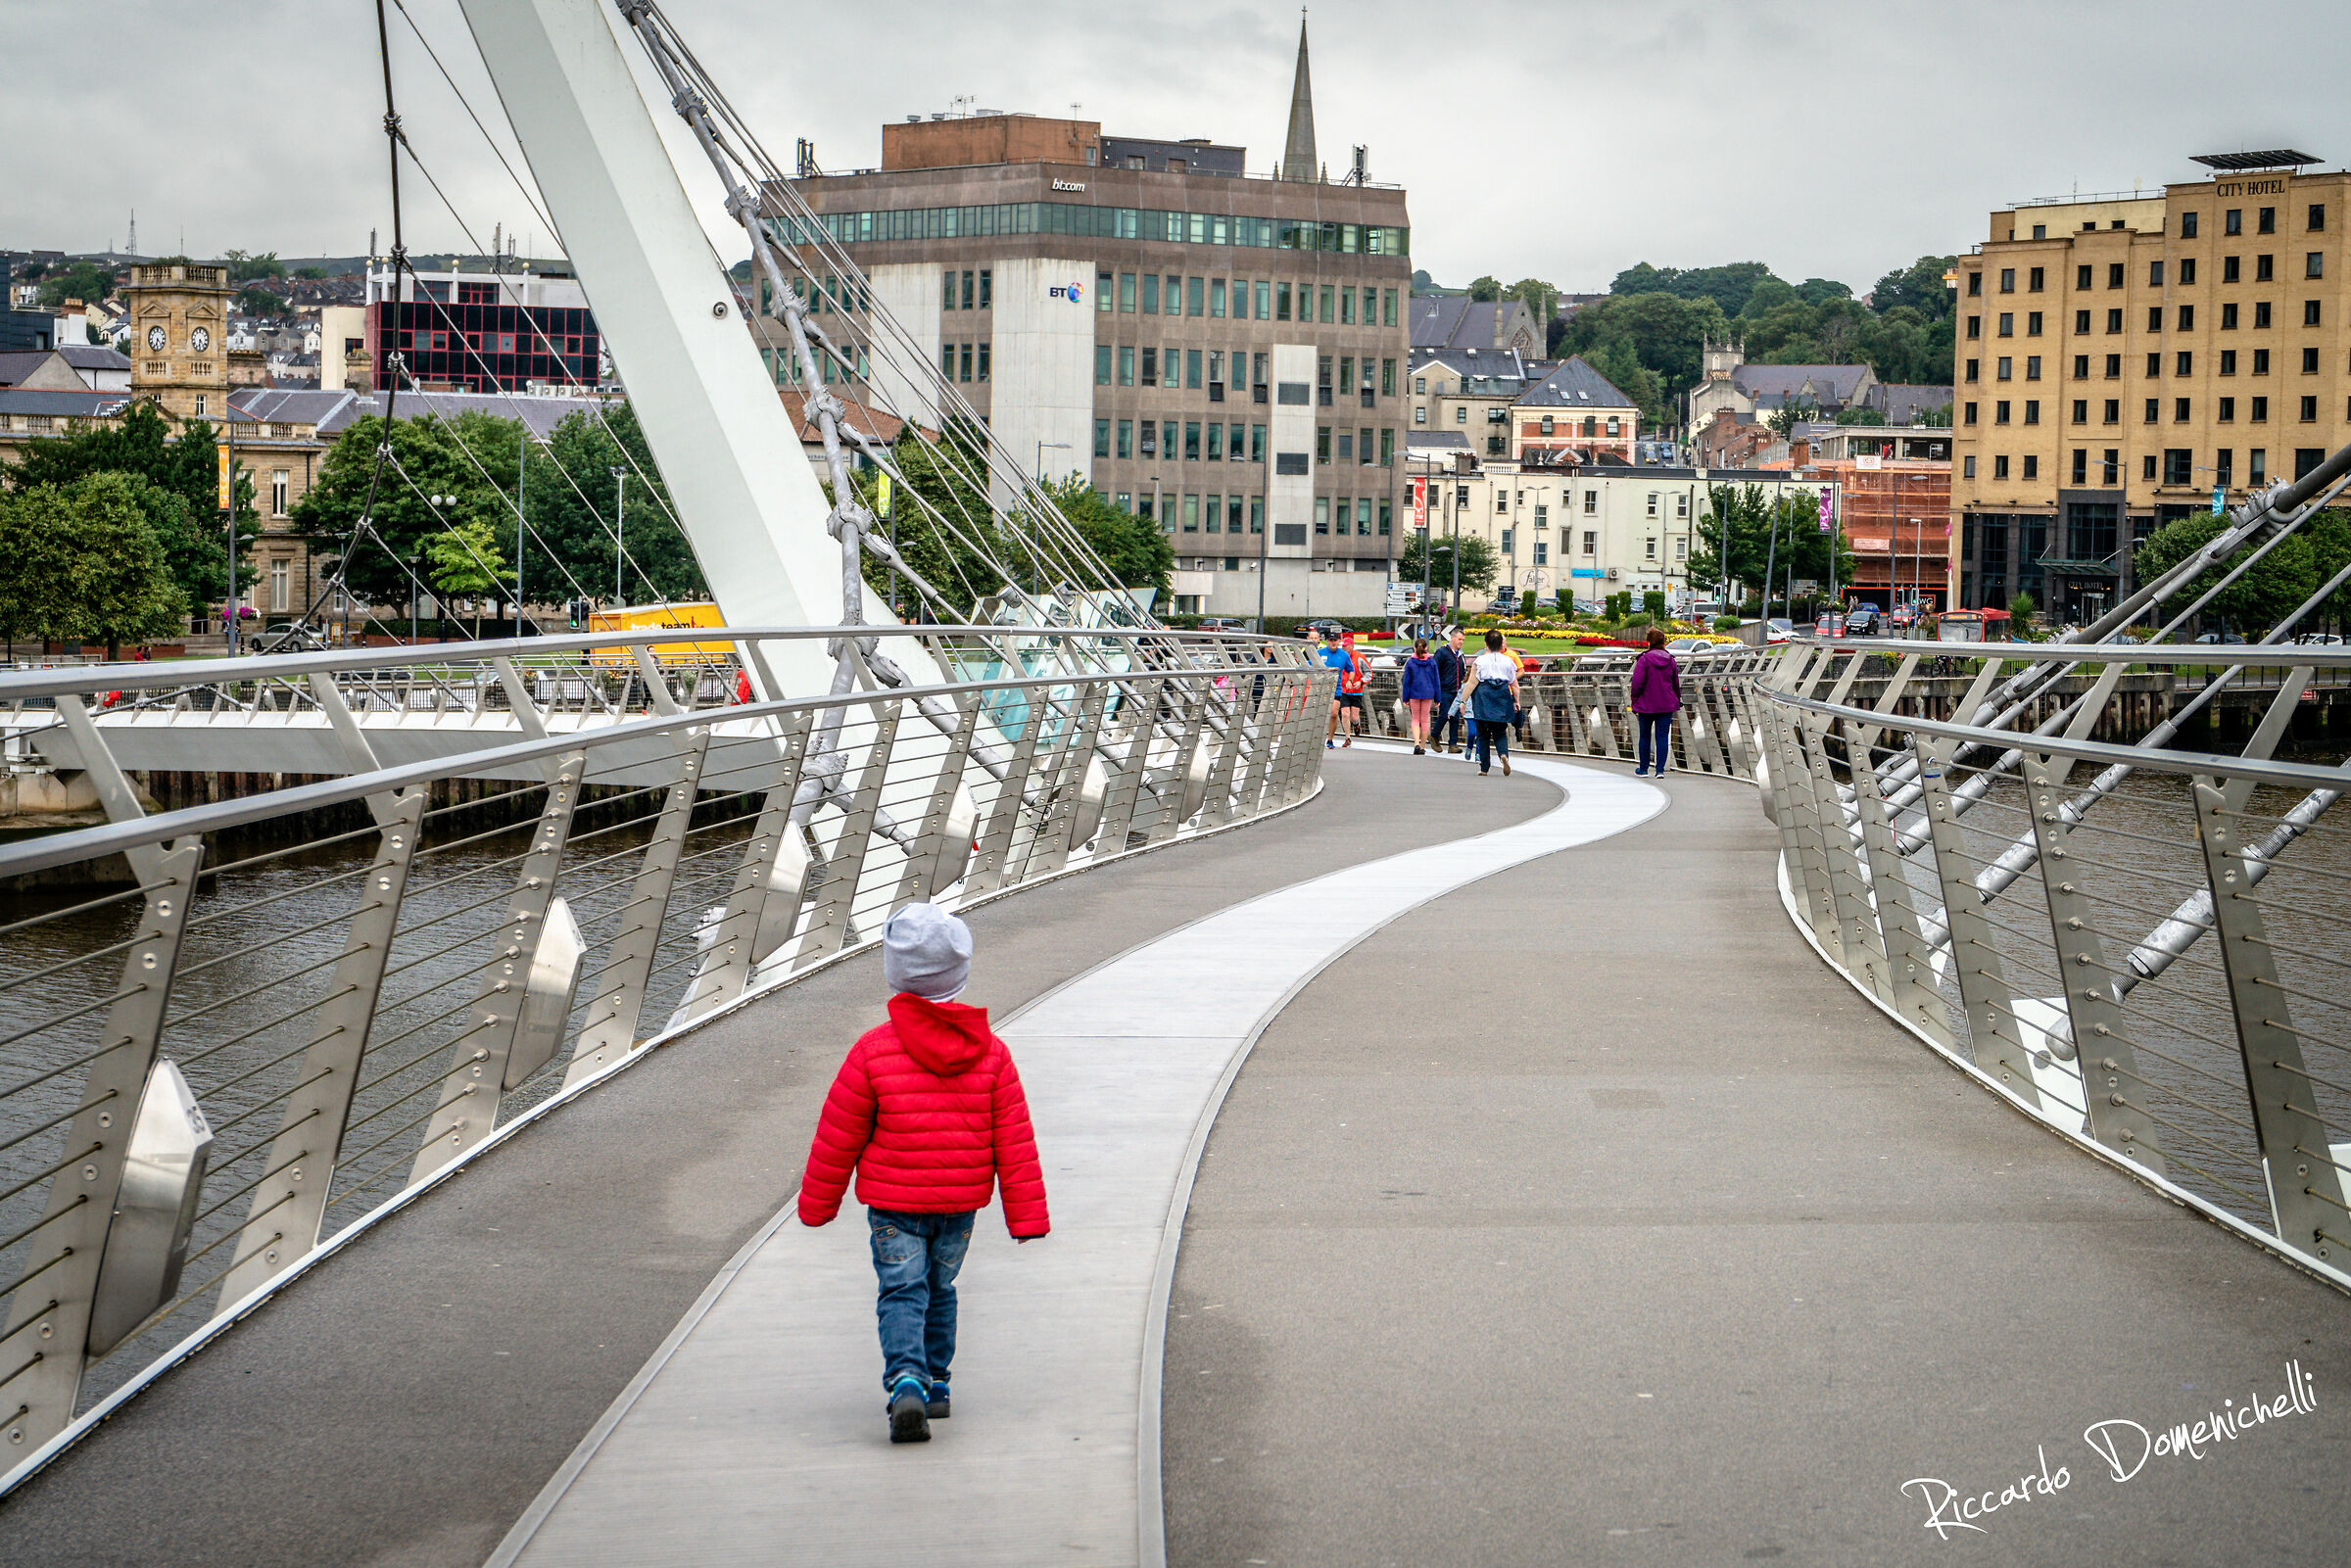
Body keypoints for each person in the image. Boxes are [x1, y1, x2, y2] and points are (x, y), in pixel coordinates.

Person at [798, 903, 1050, 1445]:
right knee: (941, 1286)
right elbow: (1015, 1139)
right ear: (959, 974)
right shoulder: (993, 1055)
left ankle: (905, 1378)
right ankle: (936, 1384)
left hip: (894, 1206)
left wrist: (818, 1204)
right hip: (959, 1206)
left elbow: (838, 1133)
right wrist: (1025, 1217)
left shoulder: (872, 1051)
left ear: (895, 974)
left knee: (901, 1290)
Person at [1629, 625, 1682, 778]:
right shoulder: (1670, 660)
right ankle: (1660, 770)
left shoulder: (1644, 659)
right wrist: (1677, 699)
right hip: (1666, 704)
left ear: (1649, 642)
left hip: (1646, 704)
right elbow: (1675, 684)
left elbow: (1637, 683)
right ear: (1663, 642)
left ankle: (1643, 769)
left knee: (1645, 735)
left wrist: (1634, 700)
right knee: (1662, 736)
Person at [1468, 629, 1521, 778]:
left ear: (1486, 644)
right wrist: (1516, 701)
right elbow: (1514, 684)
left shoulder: (1480, 661)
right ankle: (1503, 755)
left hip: (1483, 697)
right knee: (1500, 732)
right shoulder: (1508, 661)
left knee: (1483, 734)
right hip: (1502, 695)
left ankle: (1484, 767)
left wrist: (1463, 700)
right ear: (1501, 645)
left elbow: (1472, 683)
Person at [1400, 637, 1440, 753]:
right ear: (1426, 648)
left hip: (1414, 693)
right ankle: (1422, 747)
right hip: (1428, 693)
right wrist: (1438, 698)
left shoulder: (1411, 662)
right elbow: (1436, 681)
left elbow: (1406, 681)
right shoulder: (1432, 662)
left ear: (1414, 648)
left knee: (1415, 719)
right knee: (1425, 720)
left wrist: (1405, 697)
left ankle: (1416, 743)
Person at [1432, 627, 1466, 755]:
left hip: (1457, 690)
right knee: (1444, 714)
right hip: (1445, 689)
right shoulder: (1442, 652)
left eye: (1463, 640)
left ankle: (1453, 744)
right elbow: (1434, 670)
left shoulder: (1461, 655)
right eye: (1459, 639)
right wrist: (1436, 689)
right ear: (1452, 638)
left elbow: (1463, 672)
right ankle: (1434, 735)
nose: (1461, 642)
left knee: (1455, 718)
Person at [1335, 631, 1368, 744]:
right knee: (1344, 713)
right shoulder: (1339, 656)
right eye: (1343, 646)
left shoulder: (1360, 657)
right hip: (1343, 690)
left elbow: (1369, 673)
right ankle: (1347, 737)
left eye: (1346, 646)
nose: (1344, 648)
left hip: (1356, 691)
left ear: (1351, 646)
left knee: (1354, 717)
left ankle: (1356, 724)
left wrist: (1361, 682)